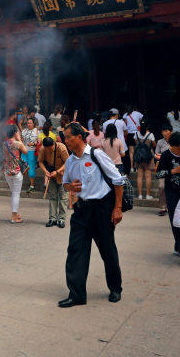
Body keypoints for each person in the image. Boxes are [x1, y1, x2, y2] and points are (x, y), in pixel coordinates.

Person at [59, 123, 125, 307]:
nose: (66, 141)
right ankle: (77, 294)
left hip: (102, 209)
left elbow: (118, 180)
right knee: (75, 251)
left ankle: (115, 288)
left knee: (107, 251)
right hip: (81, 211)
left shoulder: (97, 155)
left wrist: (117, 208)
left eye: (68, 137)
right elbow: (65, 184)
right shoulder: (71, 161)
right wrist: (70, 187)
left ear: (79, 137)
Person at [155, 131, 180, 267]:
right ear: (173, 145)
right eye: (179, 149)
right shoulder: (165, 155)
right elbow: (158, 173)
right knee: (176, 221)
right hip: (171, 193)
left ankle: (178, 246)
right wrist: (173, 171)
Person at [38, 136, 69, 228]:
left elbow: (67, 162)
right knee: (52, 197)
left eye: (51, 148)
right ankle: (52, 218)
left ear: (54, 144)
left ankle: (61, 219)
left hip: (63, 175)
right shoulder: (43, 149)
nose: (49, 150)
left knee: (63, 198)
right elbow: (40, 161)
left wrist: (58, 172)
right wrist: (45, 171)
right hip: (51, 175)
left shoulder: (61, 147)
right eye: (47, 149)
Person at [2, 125, 27, 223]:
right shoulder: (18, 144)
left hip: (7, 171)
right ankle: (14, 216)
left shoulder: (4, 143)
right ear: (15, 133)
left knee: (14, 194)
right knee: (16, 194)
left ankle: (15, 214)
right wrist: (19, 139)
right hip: (16, 171)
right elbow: (25, 151)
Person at [132, 121, 155, 201]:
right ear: (148, 126)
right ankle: (148, 195)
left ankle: (140, 194)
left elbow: (136, 143)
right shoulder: (150, 135)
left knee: (139, 176)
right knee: (148, 176)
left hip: (139, 157)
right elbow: (154, 144)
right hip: (148, 157)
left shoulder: (136, 134)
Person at [154, 125, 173, 216]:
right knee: (162, 186)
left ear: (171, 131)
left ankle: (173, 206)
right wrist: (159, 156)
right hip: (162, 167)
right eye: (163, 131)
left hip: (173, 167)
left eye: (167, 131)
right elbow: (156, 153)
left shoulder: (175, 141)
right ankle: (163, 207)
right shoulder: (160, 142)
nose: (165, 133)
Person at [19, 118, 40, 192]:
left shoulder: (37, 132)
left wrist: (33, 144)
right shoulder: (24, 131)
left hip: (32, 152)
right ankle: (24, 181)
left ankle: (32, 185)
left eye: (30, 123)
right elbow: (21, 140)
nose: (29, 124)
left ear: (33, 123)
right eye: (28, 123)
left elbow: (39, 143)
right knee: (21, 166)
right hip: (24, 151)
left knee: (31, 167)